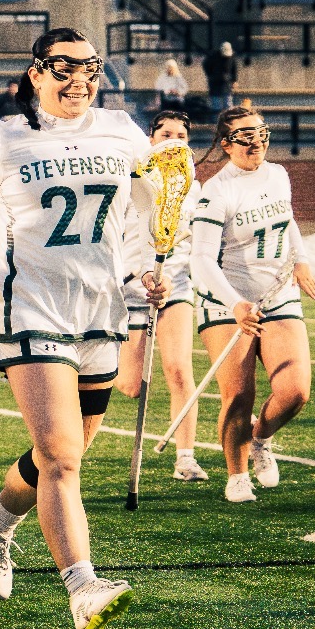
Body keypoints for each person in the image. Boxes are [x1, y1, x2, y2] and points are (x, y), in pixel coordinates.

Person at [0, 26, 152, 629]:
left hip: (101, 306)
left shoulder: (122, 132)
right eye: (62, 68)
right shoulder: (7, 139)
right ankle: (83, 587)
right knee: (62, 456)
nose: (77, 81)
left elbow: (154, 207)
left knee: (64, 452)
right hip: (31, 303)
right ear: (35, 73)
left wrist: (144, 266)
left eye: (89, 69)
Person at [191, 107, 315, 500]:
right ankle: (236, 474)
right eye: (245, 136)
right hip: (227, 299)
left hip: (278, 294)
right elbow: (201, 260)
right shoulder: (217, 190)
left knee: (295, 391)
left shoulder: (278, 174)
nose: (256, 143)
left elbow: (288, 220)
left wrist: (300, 260)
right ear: (227, 144)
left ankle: (260, 439)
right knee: (238, 394)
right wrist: (235, 304)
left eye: (261, 133)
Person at [117, 109, 208, 481]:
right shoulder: (132, 180)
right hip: (131, 287)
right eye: (166, 133)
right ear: (151, 139)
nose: (174, 140)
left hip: (176, 286)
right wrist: (137, 275)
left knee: (178, 369)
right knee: (129, 384)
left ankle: (185, 457)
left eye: (181, 136)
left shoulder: (194, 187)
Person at [203, 41, 237, 111]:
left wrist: (234, 80)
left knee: (228, 104)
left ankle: (228, 120)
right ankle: (216, 120)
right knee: (216, 105)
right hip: (215, 83)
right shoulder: (213, 57)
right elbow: (206, 65)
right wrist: (211, 75)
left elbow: (234, 69)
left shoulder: (232, 57)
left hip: (226, 83)